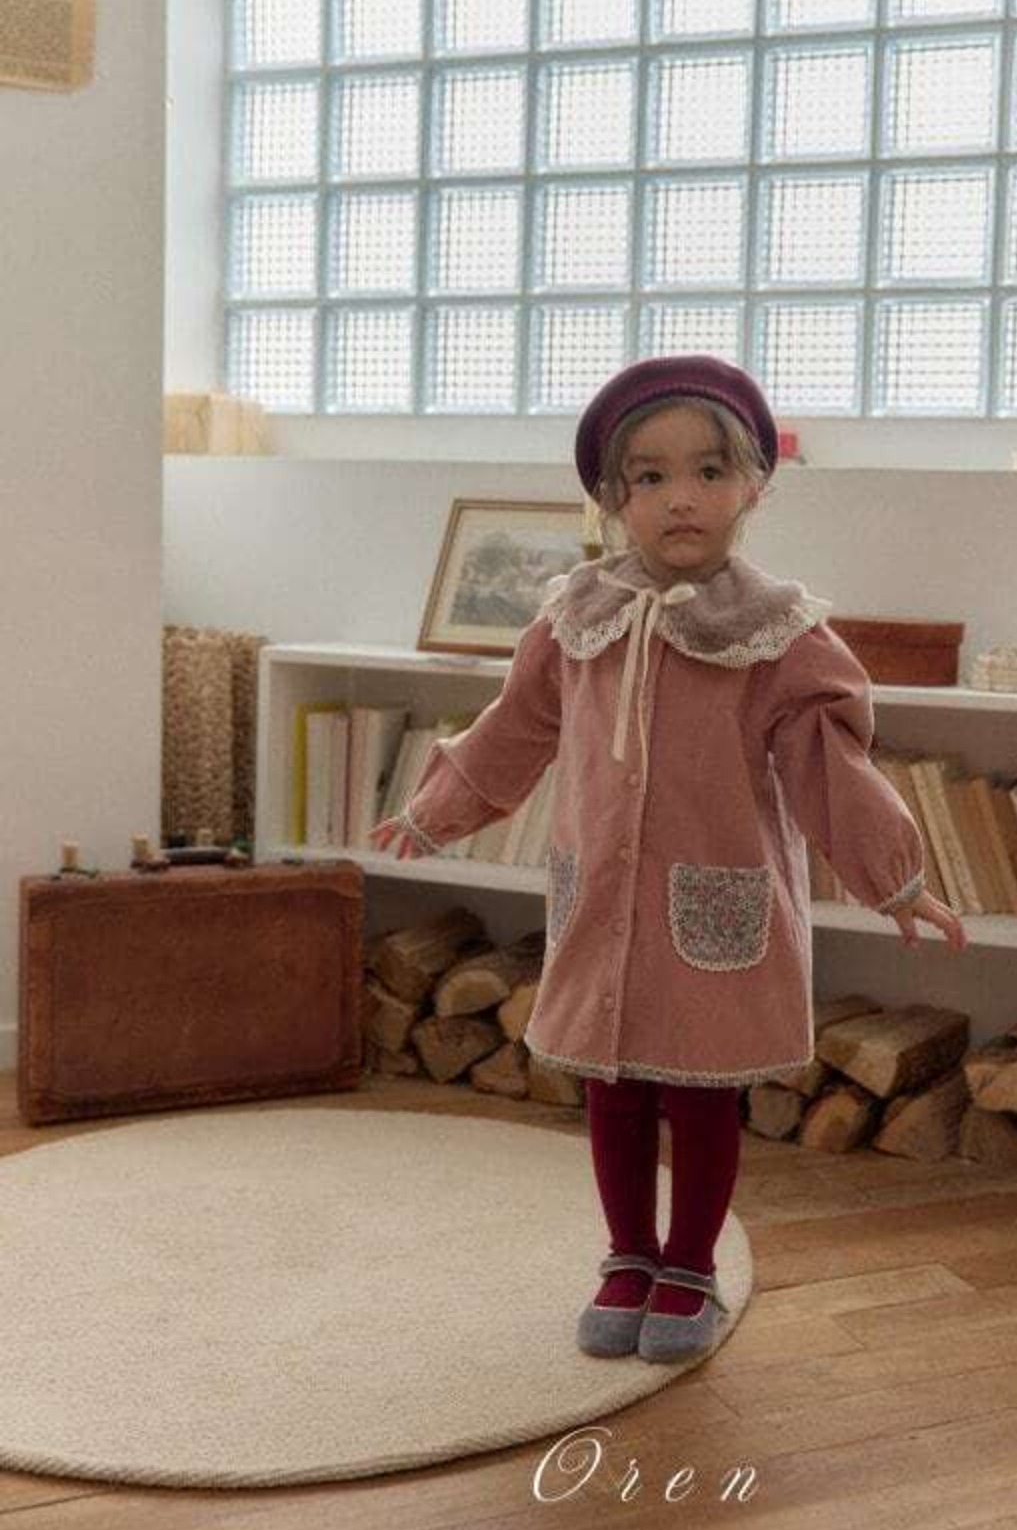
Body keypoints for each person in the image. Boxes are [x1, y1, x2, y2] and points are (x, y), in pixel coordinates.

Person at [370, 353, 967, 1366]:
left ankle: (688, 1263)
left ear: (753, 488)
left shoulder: (777, 632)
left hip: (714, 901)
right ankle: (627, 1256)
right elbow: (514, 729)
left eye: (707, 471)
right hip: (602, 898)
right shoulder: (576, 618)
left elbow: (831, 765)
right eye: (649, 477)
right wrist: (435, 811)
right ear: (613, 498)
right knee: (611, 1084)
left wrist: (893, 876)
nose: (679, 497)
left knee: (699, 1088)